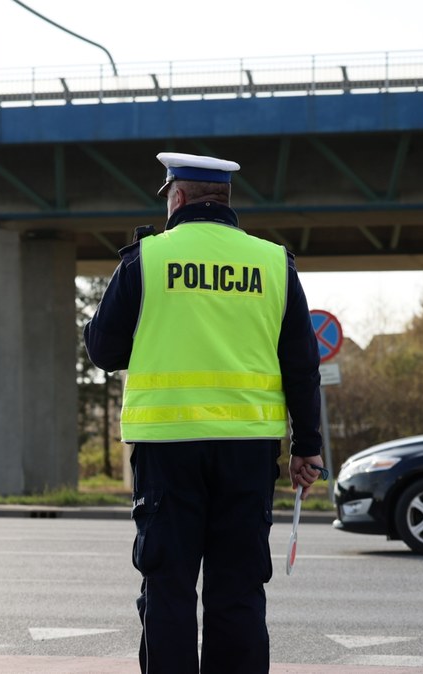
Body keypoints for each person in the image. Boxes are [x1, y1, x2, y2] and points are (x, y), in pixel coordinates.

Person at [83, 152, 325, 674]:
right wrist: (307, 445)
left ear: (176, 198)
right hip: (248, 452)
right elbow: (302, 364)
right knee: (237, 588)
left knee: (167, 586)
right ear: (224, 200)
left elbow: (102, 351)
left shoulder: (146, 259)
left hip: (166, 449)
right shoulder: (272, 263)